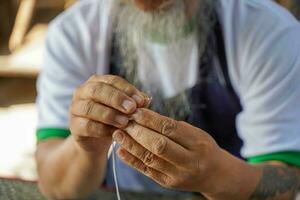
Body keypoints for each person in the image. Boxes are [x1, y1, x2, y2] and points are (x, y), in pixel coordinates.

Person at [36, 0, 300, 199]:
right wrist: (85, 149)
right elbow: (53, 185)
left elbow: (287, 179)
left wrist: (216, 174)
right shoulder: (74, 34)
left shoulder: (268, 32)